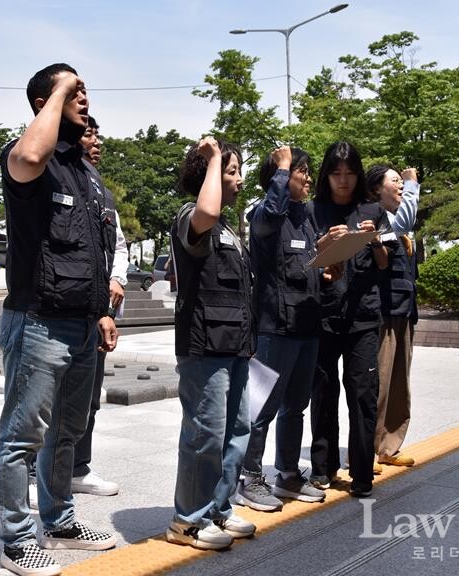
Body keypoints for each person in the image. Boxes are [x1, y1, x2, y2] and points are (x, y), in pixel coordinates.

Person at [0, 63, 118, 576]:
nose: (82, 95)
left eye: (84, 88)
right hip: (39, 320)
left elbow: (95, 252)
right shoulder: (28, 156)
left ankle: (60, 523)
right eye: (71, 90)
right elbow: (29, 156)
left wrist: (103, 312)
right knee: (22, 437)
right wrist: (61, 85)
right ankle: (16, 540)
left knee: (67, 432)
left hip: (83, 323)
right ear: (43, 103)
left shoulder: (84, 171)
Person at [27, 116, 126, 506]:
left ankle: (77, 467)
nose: (96, 141)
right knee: (47, 401)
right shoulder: (48, 175)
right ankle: (36, 472)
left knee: (87, 400)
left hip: (96, 308)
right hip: (56, 308)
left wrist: (116, 279)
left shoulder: (100, 188)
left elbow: (115, 244)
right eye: (88, 134)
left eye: (98, 135)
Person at [166, 136, 255, 550]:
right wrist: (215, 157)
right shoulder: (192, 215)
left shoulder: (229, 231)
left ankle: (217, 507)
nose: (240, 179)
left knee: (236, 430)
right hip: (204, 344)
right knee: (205, 434)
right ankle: (187, 520)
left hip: (235, 343)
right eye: (232, 172)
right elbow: (207, 210)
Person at [234, 146, 326, 513]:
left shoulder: (306, 217)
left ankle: (287, 473)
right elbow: (271, 213)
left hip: (306, 323)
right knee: (262, 407)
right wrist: (283, 166)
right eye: (301, 171)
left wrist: (328, 266)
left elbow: (306, 265)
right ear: (281, 178)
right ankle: (249, 477)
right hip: (275, 325)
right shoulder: (264, 213)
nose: (308, 177)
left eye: (304, 170)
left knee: (296, 406)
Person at [308, 141, 389, 499]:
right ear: (326, 176)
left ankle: (361, 471)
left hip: (363, 317)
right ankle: (323, 467)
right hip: (324, 316)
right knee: (323, 393)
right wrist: (324, 244)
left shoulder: (373, 209)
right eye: (336, 173)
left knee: (362, 394)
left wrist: (374, 240)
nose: (343, 180)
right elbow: (304, 262)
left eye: (350, 173)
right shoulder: (312, 211)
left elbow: (385, 263)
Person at [366, 165, 420, 471]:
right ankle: (366, 448)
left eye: (403, 181)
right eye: (395, 181)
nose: (401, 185)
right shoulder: (377, 218)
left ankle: (389, 447)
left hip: (405, 309)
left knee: (400, 384)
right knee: (381, 383)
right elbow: (404, 222)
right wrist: (413, 184)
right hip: (384, 311)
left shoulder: (403, 224)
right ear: (377, 189)